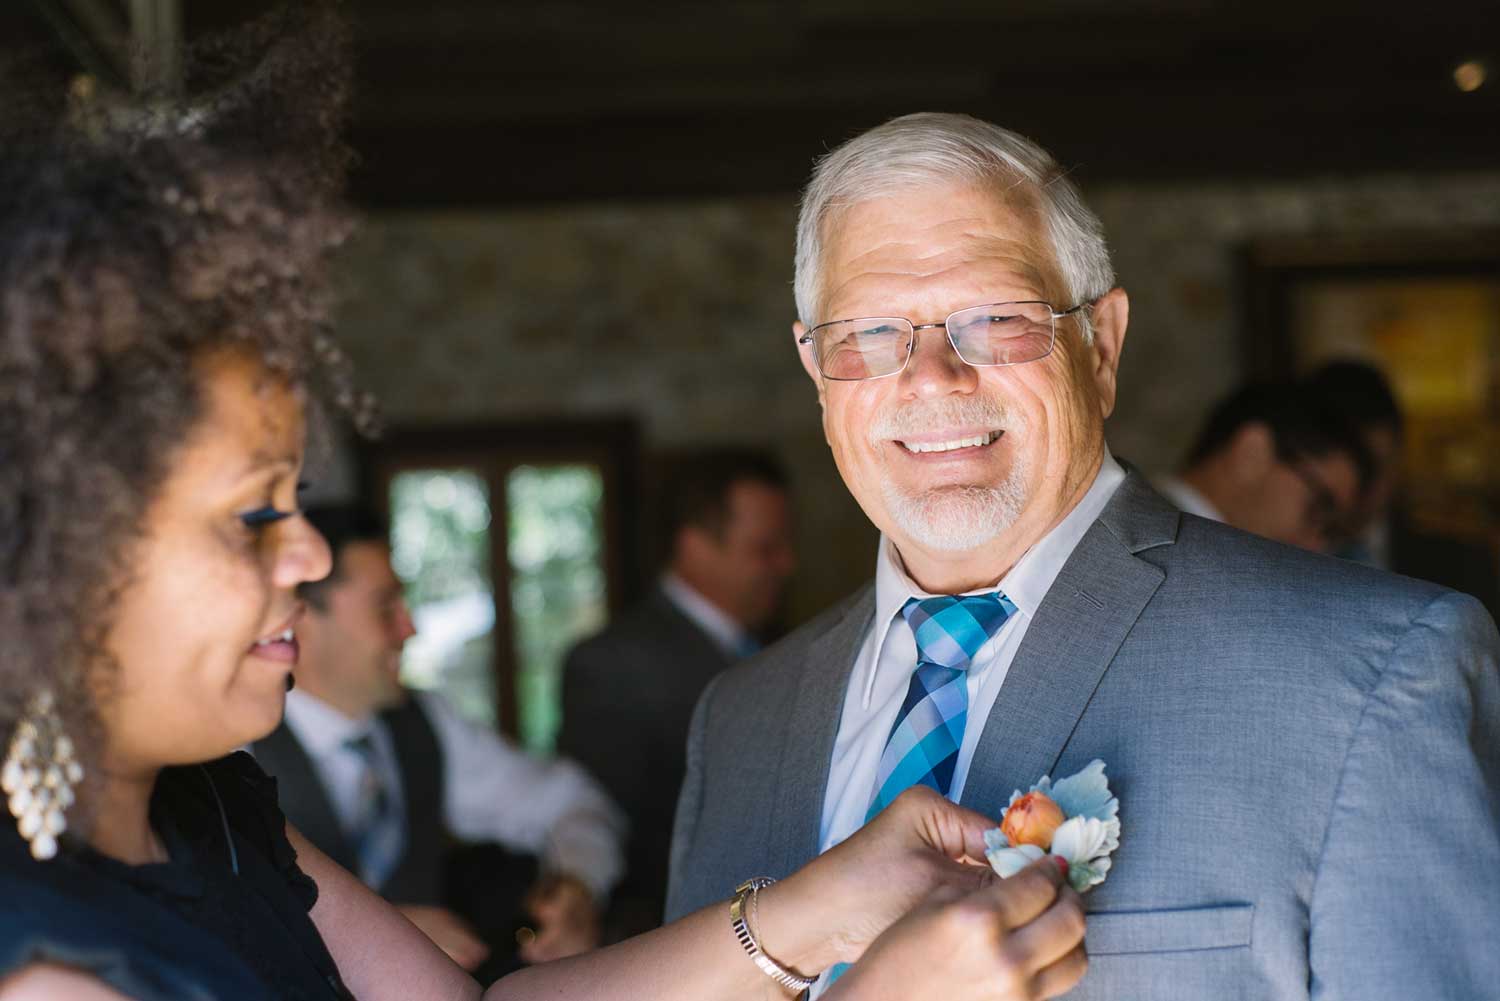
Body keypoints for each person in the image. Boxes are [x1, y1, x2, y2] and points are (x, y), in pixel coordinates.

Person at [0, 21, 1088, 1001]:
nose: (311, 552)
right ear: (59, 556)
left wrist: (814, 910)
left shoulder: (212, 807)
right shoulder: (49, 972)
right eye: (251, 515)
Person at [665, 112, 1500, 1000]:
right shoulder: (739, 720)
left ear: (1101, 345)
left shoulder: (1373, 674)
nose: (932, 375)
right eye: (870, 331)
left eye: (996, 317)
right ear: (815, 368)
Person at [254, 505, 624, 971]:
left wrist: (579, 886)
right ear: (301, 618)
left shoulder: (426, 723)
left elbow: (574, 802)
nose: (410, 628)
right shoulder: (231, 746)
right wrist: (371, 933)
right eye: (385, 607)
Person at [559, 448, 794, 936]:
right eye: (764, 549)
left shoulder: (787, 645)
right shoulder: (611, 663)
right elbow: (610, 832)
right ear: (695, 547)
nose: (786, 564)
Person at [1308, 359, 1500, 616]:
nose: (1362, 487)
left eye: (1376, 467)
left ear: (1399, 458)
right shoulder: (1280, 554)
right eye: (1355, 467)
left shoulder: (1465, 565)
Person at [1153, 380, 1372, 552]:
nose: (1316, 545)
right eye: (1320, 506)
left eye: (1331, 531)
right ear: (1252, 452)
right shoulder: (1152, 539)